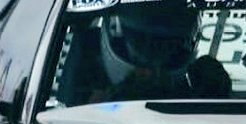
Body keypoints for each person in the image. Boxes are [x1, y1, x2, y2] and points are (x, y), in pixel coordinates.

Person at [89, 8, 230, 103]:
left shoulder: (93, 102)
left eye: (167, 45)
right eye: (141, 42)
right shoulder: (201, 99)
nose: (151, 54)